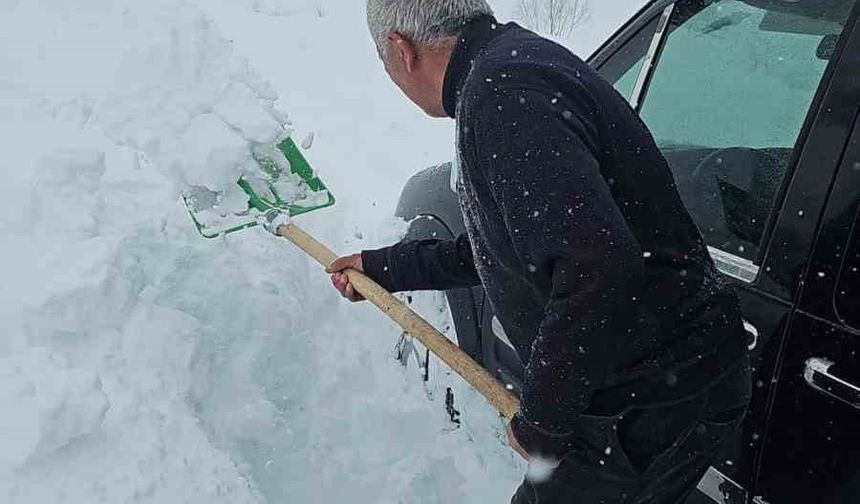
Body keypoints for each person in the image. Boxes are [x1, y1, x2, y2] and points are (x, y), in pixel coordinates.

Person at [327, 1, 752, 502]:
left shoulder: (503, 96)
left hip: (644, 403)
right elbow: (513, 247)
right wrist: (385, 267)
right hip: (668, 381)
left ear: (402, 50)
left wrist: (544, 420)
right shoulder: (512, 65)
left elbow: (595, 267)